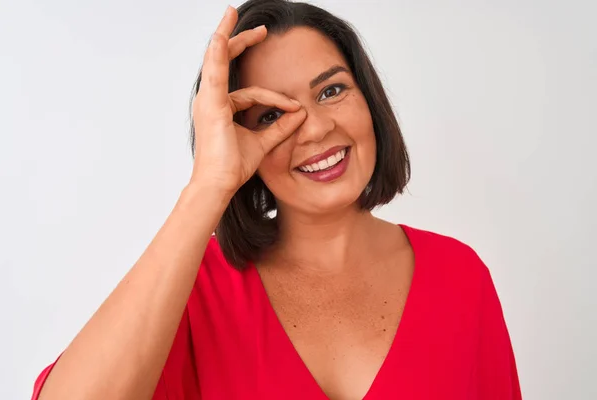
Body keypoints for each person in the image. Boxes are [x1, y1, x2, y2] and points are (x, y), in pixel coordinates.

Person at [32, 0, 522, 399]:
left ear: (369, 99)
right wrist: (209, 184)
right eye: (270, 116)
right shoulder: (192, 289)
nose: (316, 128)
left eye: (331, 90)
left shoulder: (460, 276)